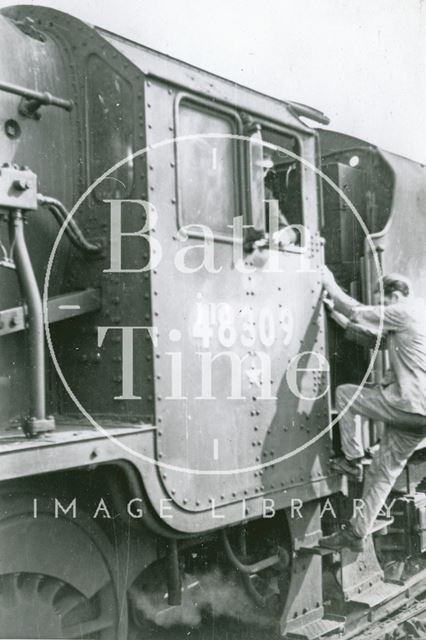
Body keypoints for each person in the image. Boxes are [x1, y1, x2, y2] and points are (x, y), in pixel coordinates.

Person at [319, 267, 426, 552]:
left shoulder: (404, 311)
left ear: (397, 295)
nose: (385, 309)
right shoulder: (417, 319)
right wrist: (336, 316)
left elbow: (359, 311)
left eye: (386, 302)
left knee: (345, 395)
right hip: (420, 417)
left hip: (410, 403)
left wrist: (330, 284)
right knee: (383, 471)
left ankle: (352, 461)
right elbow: (375, 341)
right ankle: (356, 532)